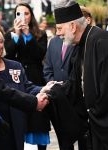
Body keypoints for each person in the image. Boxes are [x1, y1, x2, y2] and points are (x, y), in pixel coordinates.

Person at [48, 0, 108, 150]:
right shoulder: (79, 45)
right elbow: (75, 83)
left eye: (60, 28)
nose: (58, 33)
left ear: (73, 26)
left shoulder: (101, 41)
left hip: (103, 124)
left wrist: (93, 115)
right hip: (92, 125)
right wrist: (54, 90)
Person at [0, 30, 53, 150]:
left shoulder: (15, 66)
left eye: (0, 41)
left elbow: (27, 87)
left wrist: (44, 88)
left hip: (17, 124)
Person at [4, 3, 50, 150]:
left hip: (35, 79)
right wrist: (17, 36)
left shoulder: (40, 34)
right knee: (18, 120)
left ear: (31, 15)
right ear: (15, 16)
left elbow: (39, 55)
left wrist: (28, 35)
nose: (23, 16)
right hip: (15, 81)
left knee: (38, 120)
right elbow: (7, 54)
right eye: (19, 13)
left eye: (26, 13)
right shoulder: (9, 34)